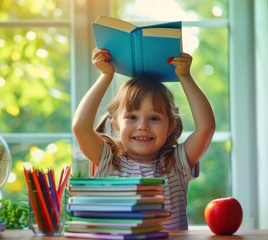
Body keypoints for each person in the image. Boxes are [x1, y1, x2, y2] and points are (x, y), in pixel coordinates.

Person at [72, 48, 215, 230]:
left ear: (171, 125)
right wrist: (105, 76)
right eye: (132, 117)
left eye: (154, 118)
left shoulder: (176, 164)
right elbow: (80, 127)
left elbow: (206, 128)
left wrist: (185, 77)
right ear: (115, 124)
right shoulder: (109, 161)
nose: (142, 126)